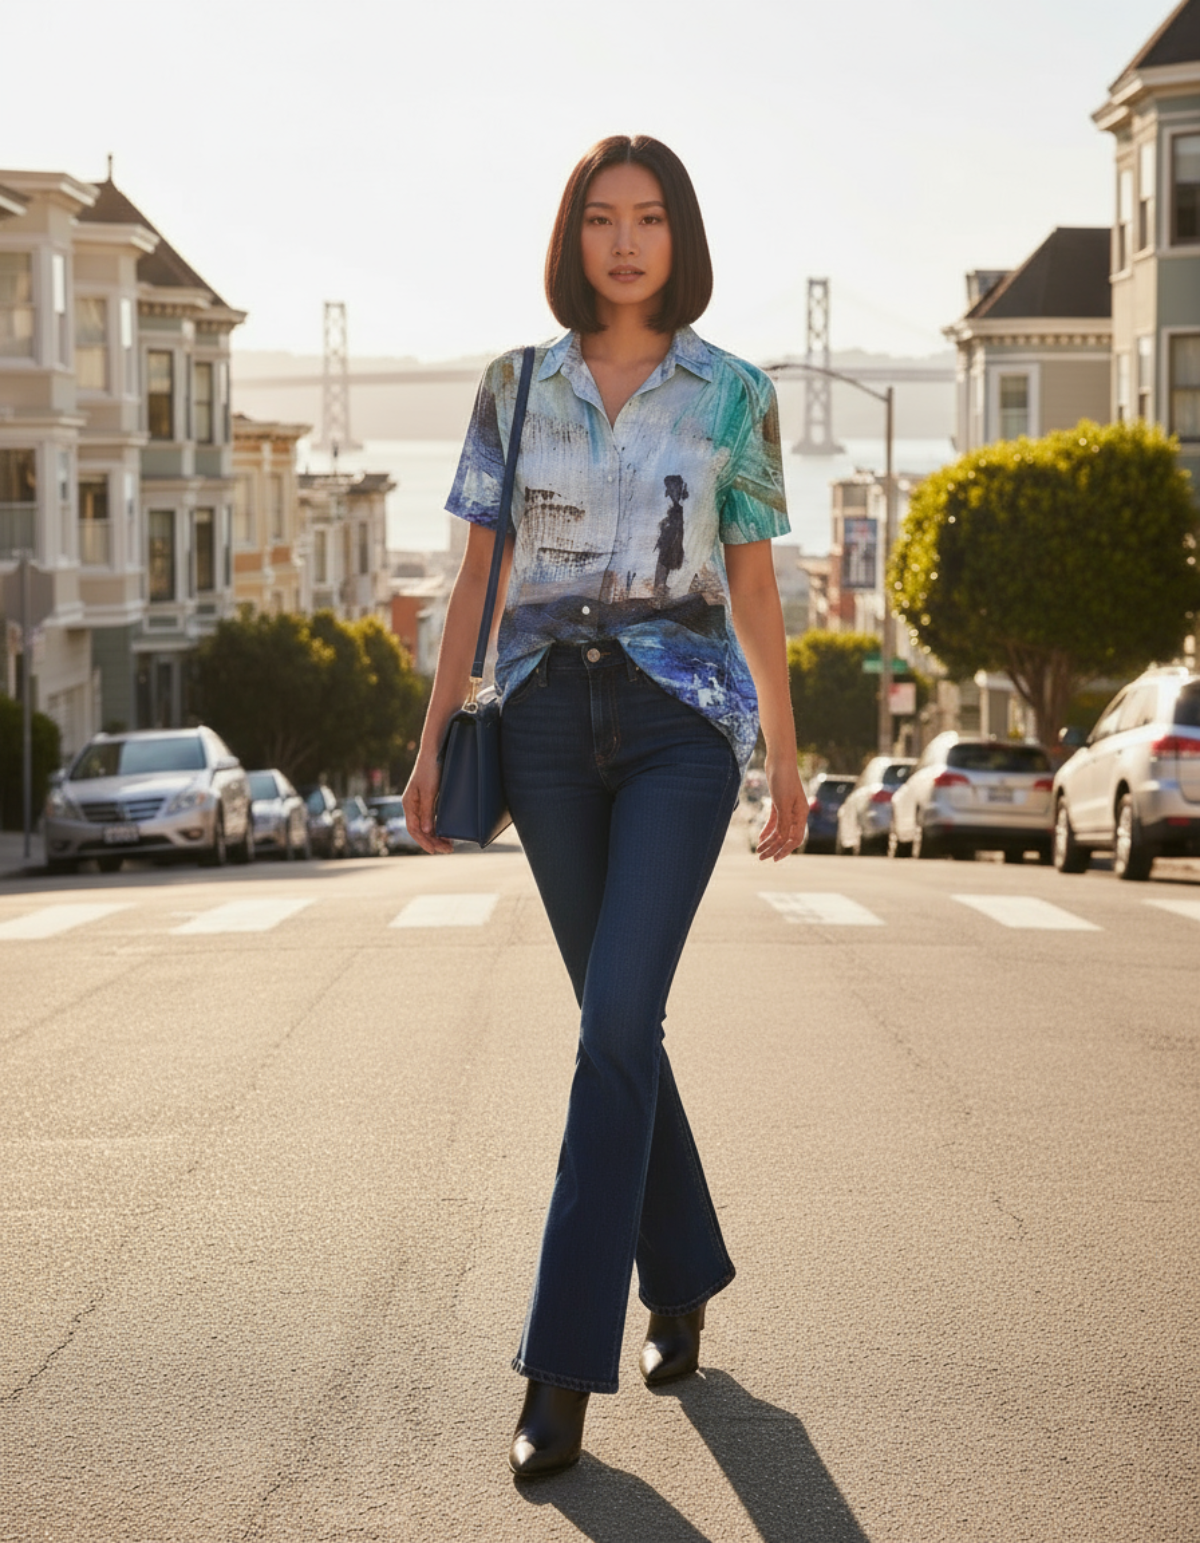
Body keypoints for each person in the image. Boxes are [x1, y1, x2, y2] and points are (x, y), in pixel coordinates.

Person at [402, 133, 807, 1479]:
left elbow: (753, 588)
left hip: (680, 728)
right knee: (614, 1025)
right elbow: (473, 579)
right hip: (543, 732)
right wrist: (428, 741)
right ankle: (680, 1267)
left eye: (647, 219)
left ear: (680, 235)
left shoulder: (734, 392)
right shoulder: (515, 386)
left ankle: (559, 1365)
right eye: (600, 219)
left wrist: (788, 763)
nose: (624, 243)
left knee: (616, 1022)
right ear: (573, 238)